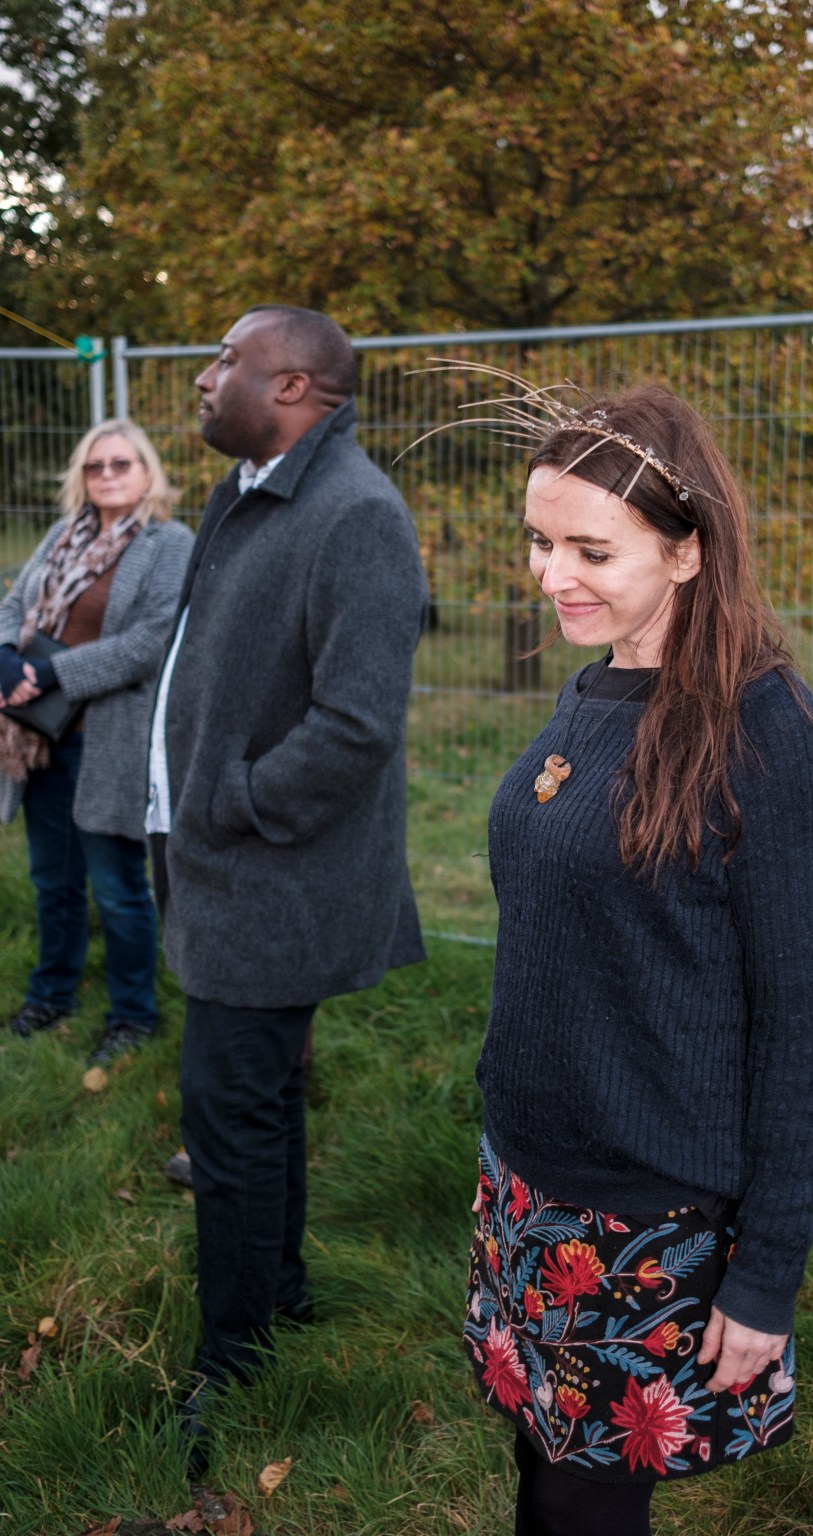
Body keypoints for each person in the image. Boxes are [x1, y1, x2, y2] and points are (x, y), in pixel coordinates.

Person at [452, 380, 813, 1536]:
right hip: (530, 1177)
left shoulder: (764, 733)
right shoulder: (596, 686)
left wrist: (765, 1272)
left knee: (584, 1505)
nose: (550, 574)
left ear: (685, 552)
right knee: (541, 1463)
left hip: (648, 1215)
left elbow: (794, 1022)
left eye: (589, 548)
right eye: (538, 540)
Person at [146, 305, 428, 1463]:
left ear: (297, 385)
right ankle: (284, 1296)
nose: (205, 377)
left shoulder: (355, 514)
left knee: (231, 1113)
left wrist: (236, 802)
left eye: (228, 361)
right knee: (253, 1105)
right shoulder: (255, 487)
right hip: (219, 862)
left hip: (272, 875)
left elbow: (357, 722)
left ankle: (234, 1359)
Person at [0, 420, 192, 1063]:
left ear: (147, 473)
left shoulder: (170, 544)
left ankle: (131, 1014)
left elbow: (148, 643)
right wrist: (5, 656)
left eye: (121, 463)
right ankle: (51, 994)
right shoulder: (62, 535)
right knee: (52, 880)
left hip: (107, 741)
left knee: (116, 885)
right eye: (95, 466)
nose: (107, 475)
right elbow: (14, 600)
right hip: (39, 741)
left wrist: (48, 671)